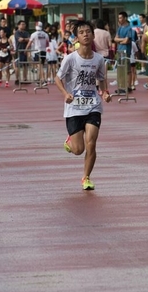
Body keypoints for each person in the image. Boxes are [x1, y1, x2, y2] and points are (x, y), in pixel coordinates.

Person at [55, 20, 112, 190]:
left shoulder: (99, 59)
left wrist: (105, 92)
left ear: (93, 35)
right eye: (82, 32)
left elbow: (101, 80)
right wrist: (66, 94)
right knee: (78, 149)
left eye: (88, 31)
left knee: (91, 143)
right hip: (74, 107)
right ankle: (70, 141)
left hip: (93, 105)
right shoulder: (70, 59)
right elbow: (58, 79)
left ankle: (86, 177)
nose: (86, 34)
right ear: (77, 37)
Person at [114, 11, 136, 92]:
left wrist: (120, 40)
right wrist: (122, 40)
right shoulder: (119, 28)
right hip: (119, 50)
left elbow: (127, 41)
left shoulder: (129, 28)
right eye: (119, 18)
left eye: (120, 18)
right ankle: (121, 86)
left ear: (125, 18)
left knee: (127, 70)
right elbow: (115, 39)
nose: (119, 19)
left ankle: (128, 86)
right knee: (120, 69)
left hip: (126, 51)